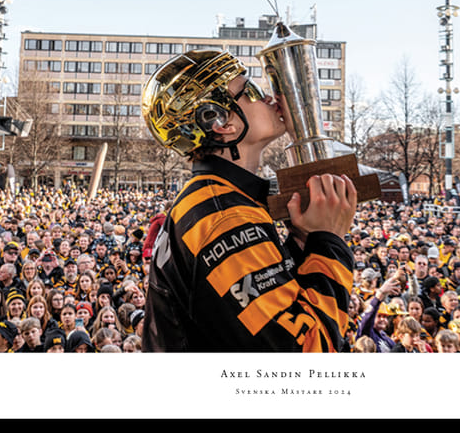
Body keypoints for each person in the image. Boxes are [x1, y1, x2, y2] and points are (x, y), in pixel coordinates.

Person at [140, 50, 357, 352]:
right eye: (251, 91)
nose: (268, 98)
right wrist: (329, 241)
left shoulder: (217, 200)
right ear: (219, 121)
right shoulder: (224, 217)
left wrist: (301, 241)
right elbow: (309, 348)